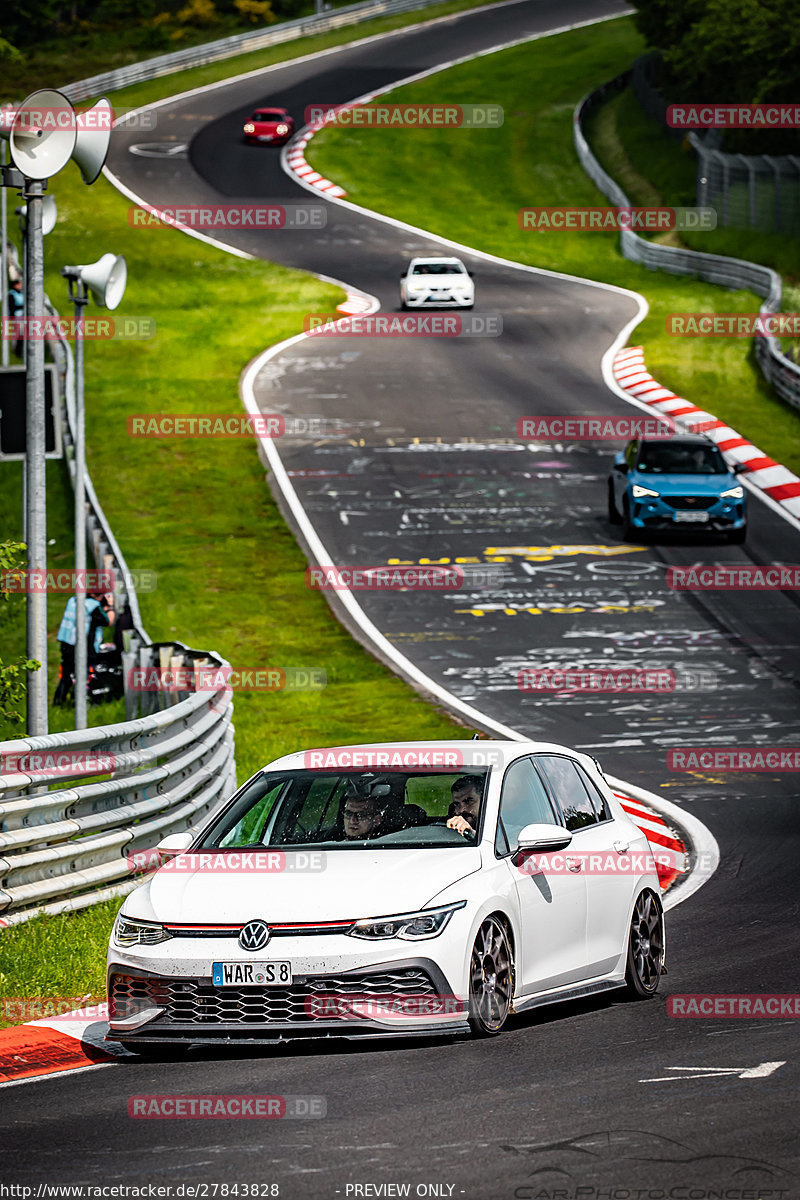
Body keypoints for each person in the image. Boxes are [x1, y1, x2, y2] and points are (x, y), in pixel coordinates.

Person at [53, 587, 115, 705]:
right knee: (84, 675)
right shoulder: (93, 607)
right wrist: (110, 605)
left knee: (66, 675)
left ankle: (58, 702)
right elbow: (108, 621)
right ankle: (79, 701)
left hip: (66, 643)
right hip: (82, 648)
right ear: (100, 596)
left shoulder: (73, 600)